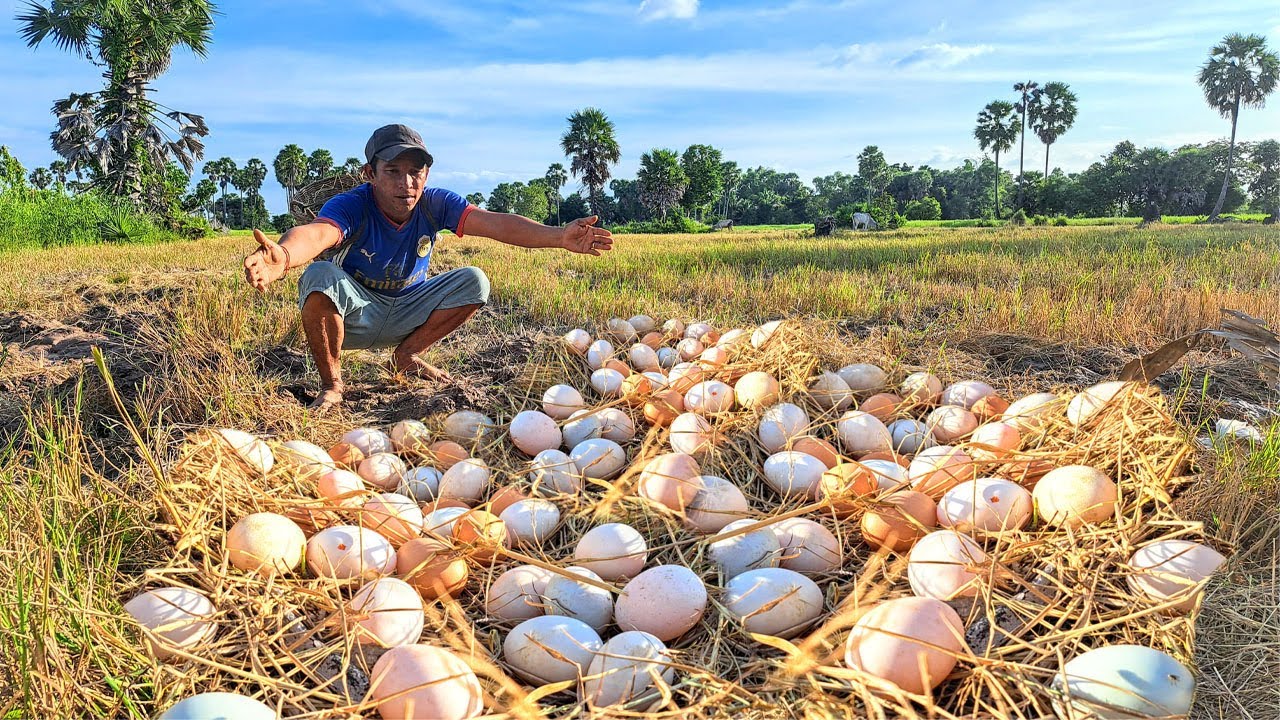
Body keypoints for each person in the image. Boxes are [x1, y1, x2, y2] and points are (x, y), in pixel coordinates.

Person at [242, 123, 613, 411]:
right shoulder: (352, 204)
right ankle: (333, 384)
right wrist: (286, 257)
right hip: (357, 315)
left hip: (408, 309)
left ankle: (407, 355)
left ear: (427, 175)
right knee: (319, 276)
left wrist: (557, 236)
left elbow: (495, 223)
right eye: (392, 171)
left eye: (416, 171)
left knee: (474, 281)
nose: (407, 183)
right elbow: (318, 233)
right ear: (369, 173)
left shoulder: (435, 204)